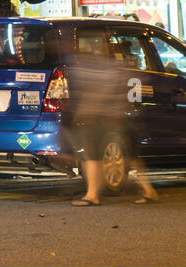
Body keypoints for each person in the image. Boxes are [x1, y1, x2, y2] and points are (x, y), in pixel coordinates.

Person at [64, 44, 157, 207]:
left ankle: (92, 194)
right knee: (126, 156)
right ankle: (148, 189)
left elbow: (94, 97)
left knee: (92, 156)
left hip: (98, 119)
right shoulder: (118, 71)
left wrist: (81, 114)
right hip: (116, 118)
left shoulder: (93, 72)